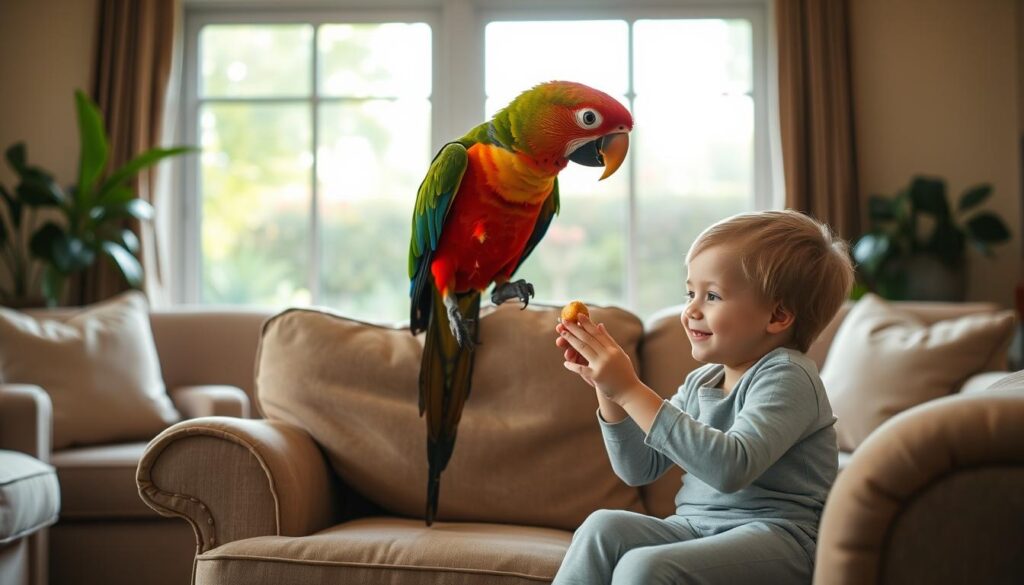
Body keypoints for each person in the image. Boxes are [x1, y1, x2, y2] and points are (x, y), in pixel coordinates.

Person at [551, 209, 854, 585]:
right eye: (690, 293)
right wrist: (608, 388)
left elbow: (730, 467)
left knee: (644, 568)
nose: (691, 310)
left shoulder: (789, 376)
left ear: (777, 316)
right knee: (601, 529)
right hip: (694, 528)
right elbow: (638, 468)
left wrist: (630, 389)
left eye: (712, 295)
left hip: (779, 538)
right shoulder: (702, 382)